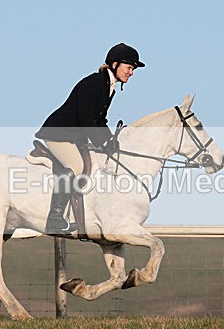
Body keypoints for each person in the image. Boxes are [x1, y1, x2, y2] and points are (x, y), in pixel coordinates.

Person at [35, 43, 145, 234]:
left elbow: (99, 120)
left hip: (72, 135)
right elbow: (86, 118)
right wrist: (102, 142)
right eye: (129, 68)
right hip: (58, 133)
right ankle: (55, 217)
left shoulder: (108, 86)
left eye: (132, 69)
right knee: (76, 167)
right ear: (115, 64)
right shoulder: (94, 83)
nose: (131, 73)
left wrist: (110, 140)